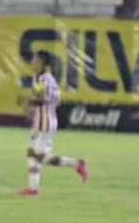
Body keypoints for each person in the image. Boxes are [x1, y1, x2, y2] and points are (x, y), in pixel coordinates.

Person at [18, 50, 88, 195]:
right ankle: (33, 188)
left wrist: (27, 101)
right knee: (31, 153)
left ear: (41, 62)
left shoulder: (45, 78)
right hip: (39, 121)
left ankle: (77, 163)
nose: (32, 62)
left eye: (35, 59)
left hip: (46, 122)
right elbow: (53, 99)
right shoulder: (39, 77)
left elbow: (43, 99)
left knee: (39, 156)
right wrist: (32, 106)